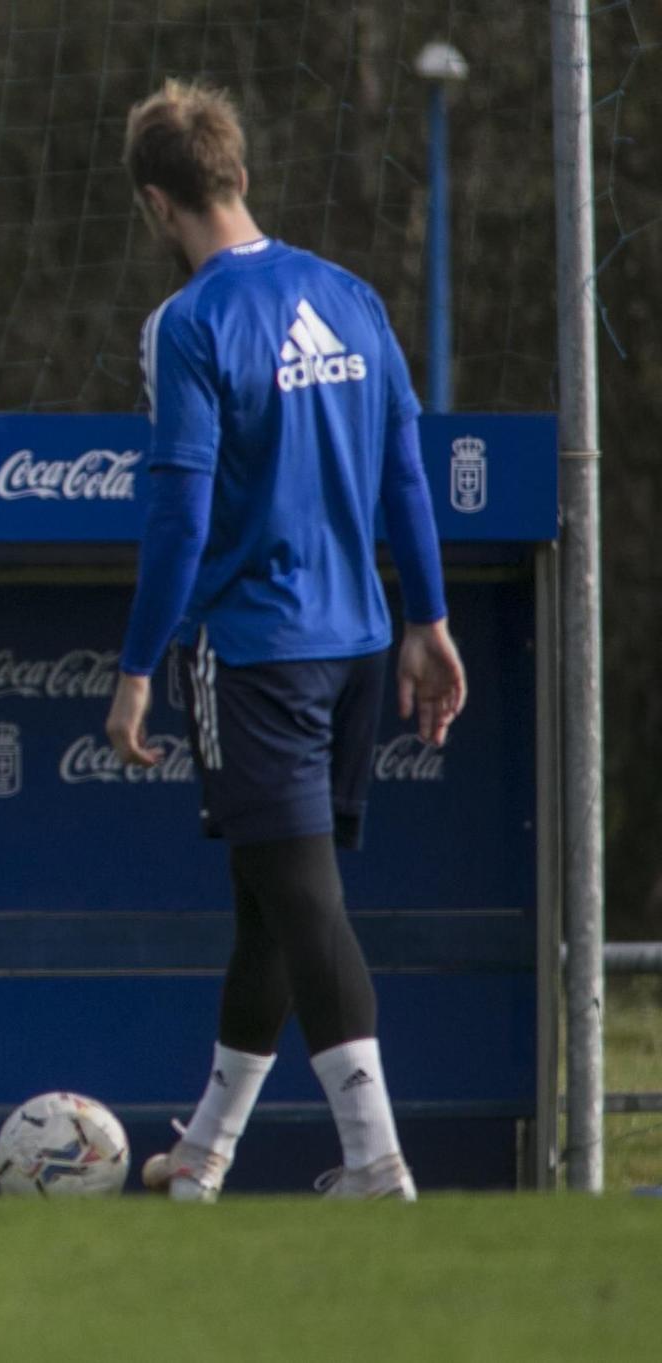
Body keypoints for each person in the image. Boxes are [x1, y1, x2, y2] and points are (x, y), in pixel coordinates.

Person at [104, 82, 467, 1201]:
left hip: (253, 651)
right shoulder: (348, 296)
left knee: (299, 901)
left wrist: (130, 673)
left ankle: (375, 1161)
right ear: (241, 175)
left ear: (155, 201)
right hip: (357, 640)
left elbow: (178, 513)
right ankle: (202, 1156)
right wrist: (428, 620)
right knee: (267, 900)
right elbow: (404, 469)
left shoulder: (190, 324)